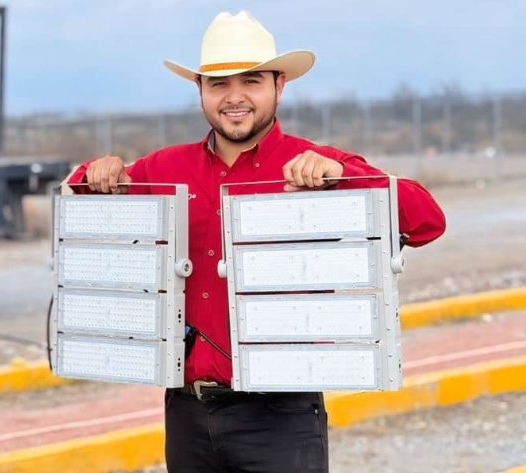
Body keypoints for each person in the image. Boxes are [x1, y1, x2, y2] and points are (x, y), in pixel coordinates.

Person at [67, 11, 446, 473]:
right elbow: (78, 198)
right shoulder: (164, 170)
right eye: (219, 83)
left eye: (251, 81)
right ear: (200, 90)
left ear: (279, 85)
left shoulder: (319, 163)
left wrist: (345, 178)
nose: (234, 97)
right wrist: (95, 174)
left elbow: (427, 220)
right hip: (187, 414)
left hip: (281, 417)